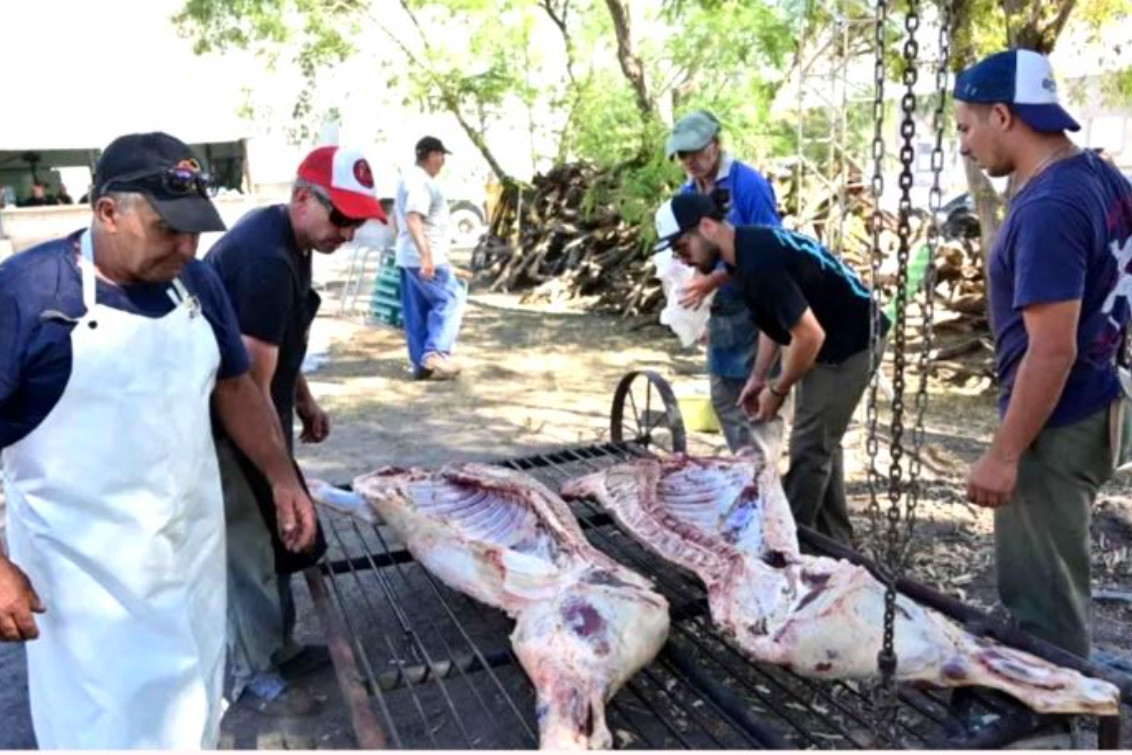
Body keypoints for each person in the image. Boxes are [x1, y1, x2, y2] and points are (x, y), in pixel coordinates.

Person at [0, 132, 317, 748]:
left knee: (193, 712)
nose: (186, 246)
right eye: (167, 228)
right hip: (84, 585)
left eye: (195, 229)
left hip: (191, 559)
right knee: (105, 730)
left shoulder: (194, 283)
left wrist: (282, 477)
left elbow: (235, 387)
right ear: (107, 212)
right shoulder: (27, 295)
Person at [955, 49, 1132, 659]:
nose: (963, 145)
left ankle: (1048, 730)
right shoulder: (1100, 176)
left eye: (965, 127)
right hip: (1096, 399)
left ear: (1002, 115)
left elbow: (1051, 351)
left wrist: (1005, 455)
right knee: (1054, 580)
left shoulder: (1049, 207)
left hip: (1054, 423)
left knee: (1042, 604)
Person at [206, 145, 386, 713]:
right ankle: (256, 672)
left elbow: (277, 350)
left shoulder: (292, 238)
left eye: (358, 220)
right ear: (303, 198)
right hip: (230, 426)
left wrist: (303, 400)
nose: (350, 232)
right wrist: (280, 473)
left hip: (262, 411)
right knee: (252, 541)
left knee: (281, 532)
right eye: (342, 217)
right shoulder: (265, 260)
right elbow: (247, 387)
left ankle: (279, 647)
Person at [654, 193, 887, 545]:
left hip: (852, 342)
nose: (679, 257)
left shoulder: (759, 263)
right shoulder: (743, 253)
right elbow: (774, 323)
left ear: (707, 226)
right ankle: (835, 541)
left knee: (810, 448)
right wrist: (758, 377)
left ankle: (784, 549)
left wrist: (777, 389)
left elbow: (808, 336)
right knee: (820, 439)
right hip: (828, 339)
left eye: (681, 245)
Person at [666, 110, 783, 456]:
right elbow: (692, 255)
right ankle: (744, 474)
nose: (689, 161)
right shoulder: (688, 191)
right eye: (682, 155)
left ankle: (764, 483)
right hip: (721, 309)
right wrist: (699, 306)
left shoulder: (749, 186)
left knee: (758, 409)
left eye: (695, 152)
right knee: (725, 400)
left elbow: (768, 253)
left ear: (715, 146)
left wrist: (713, 279)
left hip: (756, 305)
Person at [394, 136, 466, 380]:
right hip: (424, 256)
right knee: (452, 298)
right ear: (428, 155)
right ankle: (435, 352)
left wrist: (405, 248)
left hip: (408, 256)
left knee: (417, 310)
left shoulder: (408, 179)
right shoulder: (420, 182)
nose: (443, 161)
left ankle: (421, 366)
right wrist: (427, 257)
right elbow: (414, 217)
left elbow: (397, 220)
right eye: (440, 155)